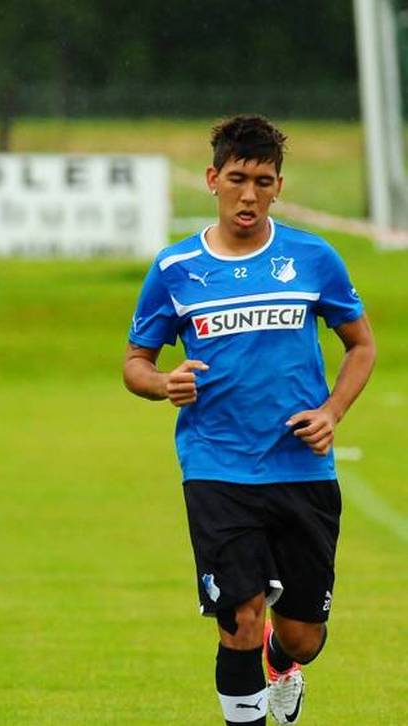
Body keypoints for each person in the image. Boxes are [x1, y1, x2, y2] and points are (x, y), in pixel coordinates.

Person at [123, 115, 375, 725]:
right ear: (212, 179)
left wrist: (331, 411)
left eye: (263, 181)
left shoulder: (313, 257)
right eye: (237, 178)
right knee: (239, 618)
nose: (249, 194)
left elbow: (361, 346)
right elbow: (136, 361)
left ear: (278, 186)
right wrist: (162, 383)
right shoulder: (176, 269)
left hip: (301, 467)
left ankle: (282, 662)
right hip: (217, 466)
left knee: (303, 636)